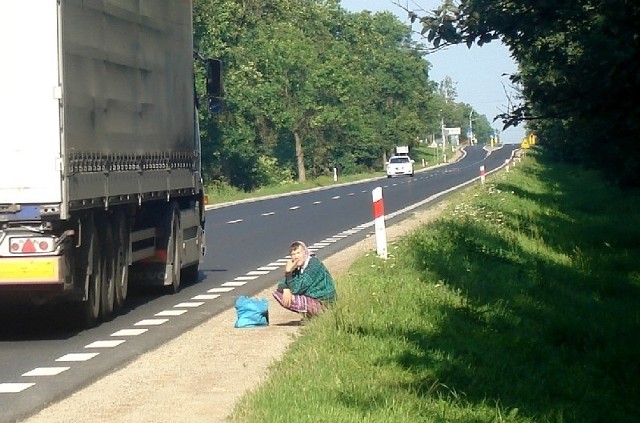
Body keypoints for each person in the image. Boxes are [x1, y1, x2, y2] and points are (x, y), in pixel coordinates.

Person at [273, 241, 336, 317]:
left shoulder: (313, 264)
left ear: (304, 253)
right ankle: (311, 314)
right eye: (293, 254)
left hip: (324, 300)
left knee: (292, 297)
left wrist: (288, 272)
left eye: (298, 253)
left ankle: (323, 313)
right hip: (312, 297)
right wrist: (286, 289)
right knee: (279, 293)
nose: (296, 257)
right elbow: (281, 283)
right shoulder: (299, 269)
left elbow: (297, 289)